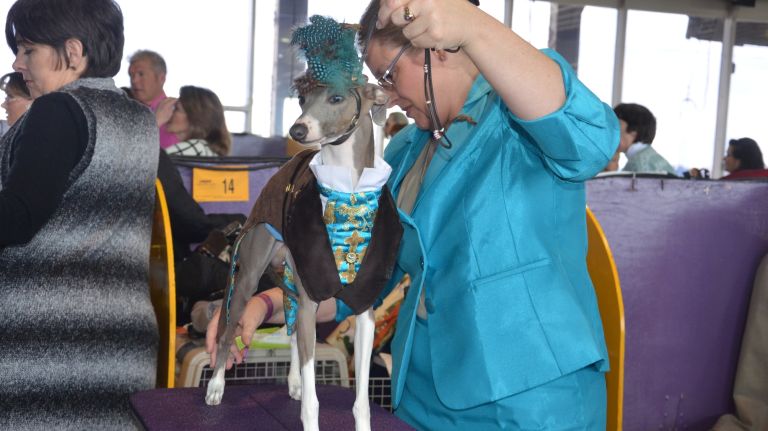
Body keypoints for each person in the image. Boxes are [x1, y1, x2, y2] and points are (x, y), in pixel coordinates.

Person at [208, 0, 619, 428]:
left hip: (530, 402)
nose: (386, 94)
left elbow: (591, 140)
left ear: (437, 47)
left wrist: (472, 26)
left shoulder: (521, 117)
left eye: (389, 75)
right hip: (421, 395)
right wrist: (263, 305)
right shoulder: (402, 153)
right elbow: (363, 279)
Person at [0, 0, 159, 428]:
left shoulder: (58, 110)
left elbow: (17, 216)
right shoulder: (139, 119)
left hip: (43, 348)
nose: (17, 62)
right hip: (121, 345)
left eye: (28, 49)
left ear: (72, 51)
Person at [158, 85, 231, 157]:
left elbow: (149, 165)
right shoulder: (206, 148)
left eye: (176, 108)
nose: (170, 112)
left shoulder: (194, 147)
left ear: (194, 118)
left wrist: (156, 121)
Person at [128, 49, 179, 149]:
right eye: (131, 75)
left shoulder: (178, 113)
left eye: (141, 74)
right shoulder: (125, 112)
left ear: (161, 78)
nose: (134, 80)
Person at [614, 102, 676, 175]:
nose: (610, 131)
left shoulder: (634, 166)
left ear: (633, 132)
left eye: (616, 124)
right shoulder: (655, 160)